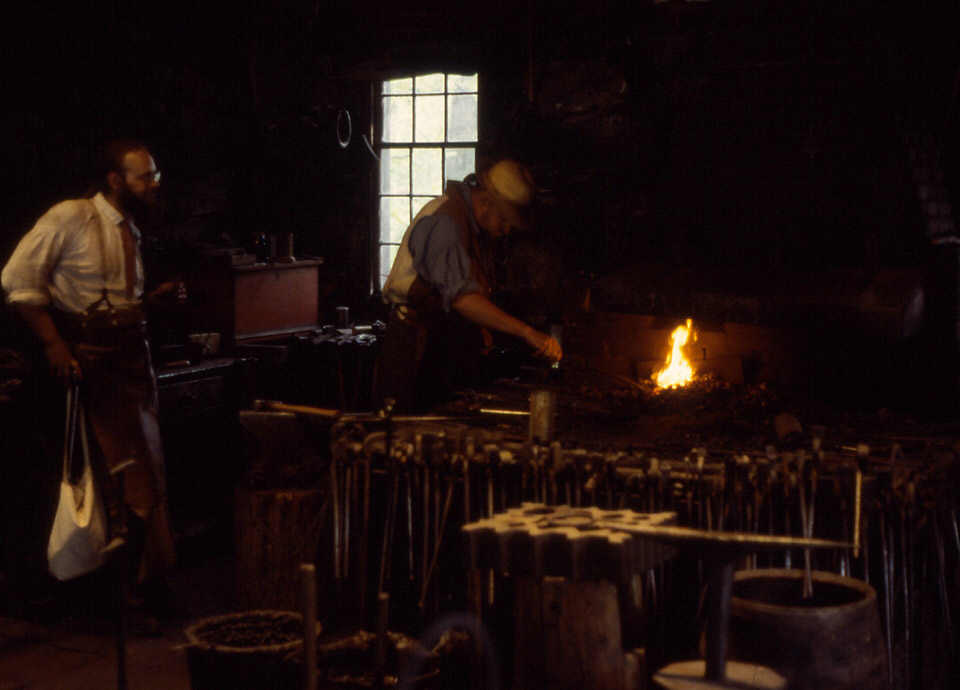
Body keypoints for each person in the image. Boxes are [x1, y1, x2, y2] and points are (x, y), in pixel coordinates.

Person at [2, 139, 181, 622]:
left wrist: (152, 302)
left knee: (146, 468)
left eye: (155, 175)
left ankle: (142, 587)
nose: (153, 185)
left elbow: (120, 302)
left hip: (130, 359)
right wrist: (54, 345)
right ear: (115, 180)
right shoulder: (70, 217)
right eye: (145, 177)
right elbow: (18, 283)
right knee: (117, 475)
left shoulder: (130, 230)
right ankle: (114, 597)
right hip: (90, 362)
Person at [379, 158, 562, 411]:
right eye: (505, 220)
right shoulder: (446, 224)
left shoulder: (473, 229)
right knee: (406, 432)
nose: (507, 229)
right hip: (412, 346)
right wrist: (527, 332)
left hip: (437, 344)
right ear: (486, 202)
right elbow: (462, 298)